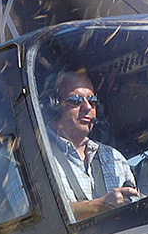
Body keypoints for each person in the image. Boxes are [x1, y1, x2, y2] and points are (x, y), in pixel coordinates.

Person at [45, 70, 140, 220]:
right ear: (54, 105)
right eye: (76, 100)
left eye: (92, 101)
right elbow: (41, 220)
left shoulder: (114, 158)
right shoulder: (34, 157)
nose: (88, 107)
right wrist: (99, 206)